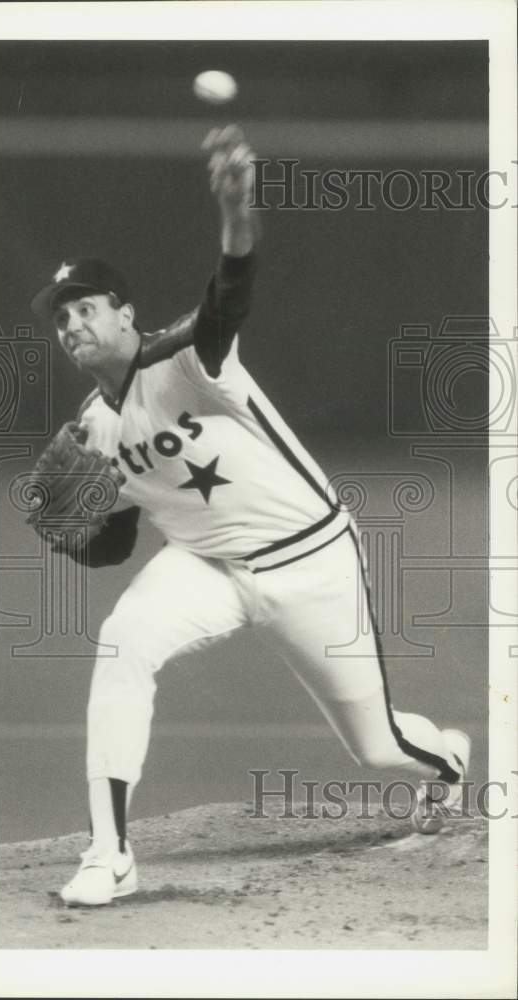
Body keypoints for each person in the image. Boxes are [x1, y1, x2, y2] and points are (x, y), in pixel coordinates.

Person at [30, 125, 470, 907]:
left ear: (126, 315)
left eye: (86, 307)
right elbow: (115, 544)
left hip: (310, 561)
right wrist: (72, 538)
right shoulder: (91, 429)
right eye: (62, 319)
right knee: (123, 642)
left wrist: (238, 208)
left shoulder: (185, 358)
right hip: (204, 567)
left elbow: (230, 291)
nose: (73, 326)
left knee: (380, 747)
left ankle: (451, 765)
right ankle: (111, 852)